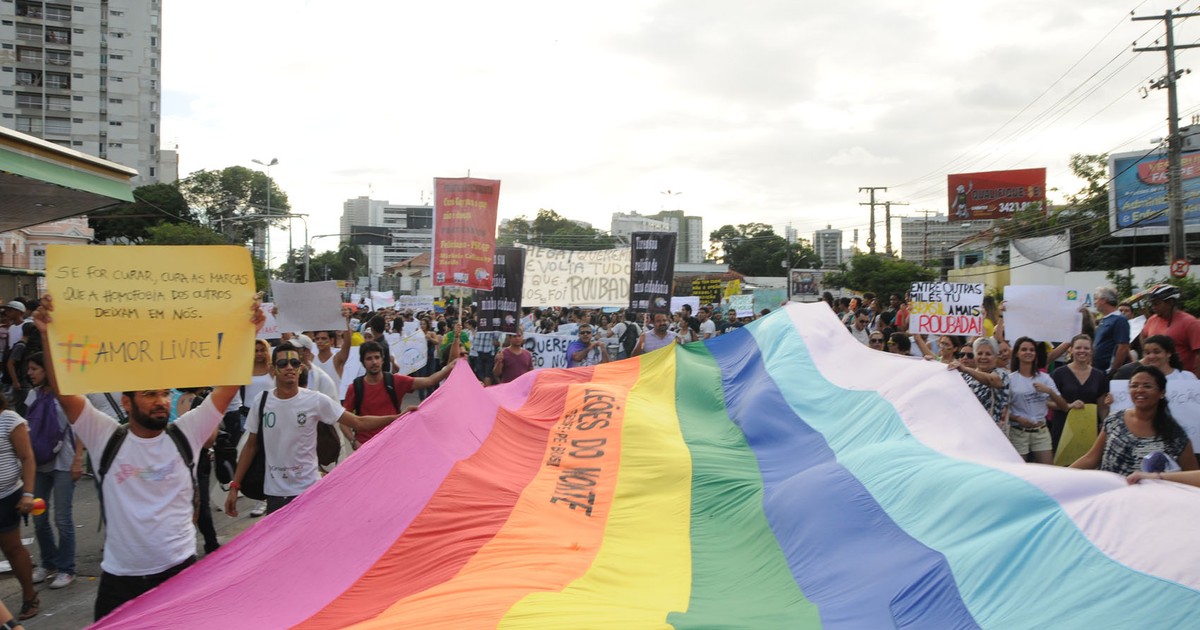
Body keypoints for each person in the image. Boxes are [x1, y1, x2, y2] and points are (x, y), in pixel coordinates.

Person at [34, 294, 264, 621]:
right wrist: (46, 333)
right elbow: (66, 393)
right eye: (149, 394)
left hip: (179, 573)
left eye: (164, 393)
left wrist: (248, 332)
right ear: (126, 403)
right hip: (120, 580)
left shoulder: (186, 432)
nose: (161, 401)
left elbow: (225, 390)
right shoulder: (104, 437)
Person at [225, 343, 407, 517]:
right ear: (273, 370)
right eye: (283, 363)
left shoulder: (315, 400)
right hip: (275, 494)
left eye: (294, 363)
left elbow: (358, 422)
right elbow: (251, 446)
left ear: (300, 368)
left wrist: (396, 418)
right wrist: (234, 486)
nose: (290, 367)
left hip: (309, 491)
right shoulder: (261, 401)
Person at [1071, 365, 1197, 475]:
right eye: (1134, 385)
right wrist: (1061, 476)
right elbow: (1091, 459)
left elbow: (1192, 478)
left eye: (1147, 386)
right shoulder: (1114, 421)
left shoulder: (1175, 436)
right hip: (1112, 499)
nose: (1139, 390)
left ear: (1162, 392)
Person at [24, 353, 82, 590]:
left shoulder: (66, 396)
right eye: (29, 369)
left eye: (34, 368)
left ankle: (67, 569)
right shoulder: (32, 396)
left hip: (64, 464)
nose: (30, 373)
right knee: (38, 518)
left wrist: (79, 458)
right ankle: (48, 563)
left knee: (62, 518)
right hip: (40, 465)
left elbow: (79, 427)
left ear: (47, 370)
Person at [342, 338, 457, 447]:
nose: (374, 362)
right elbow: (343, 421)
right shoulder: (355, 388)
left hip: (393, 444)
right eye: (369, 358)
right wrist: (354, 442)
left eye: (377, 357)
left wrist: (450, 367)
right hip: (366, 447)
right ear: (363, 362)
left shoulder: (395, 381)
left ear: (382, 360)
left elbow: (429, 381)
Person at [0, 391, 36, 621]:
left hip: (6, 496)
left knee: (12, 549)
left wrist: (28, 494)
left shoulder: (9, 419)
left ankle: (30, 596)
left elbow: (27, 458)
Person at [1006, 337, 1069, 464]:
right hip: (1019, 432)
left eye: (1031, 350)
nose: (1028, 352)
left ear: (1036, 354)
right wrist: (1017, 418)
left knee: (1048, 471)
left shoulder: (1045, 378)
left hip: (1041, 432)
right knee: (1020, 472)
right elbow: (1004, 409)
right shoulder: (1010, 379)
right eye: (1024, 349)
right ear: (1017, 353)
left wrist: (1050, 391)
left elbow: (1064, 406)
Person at [1049, 334, 1109, 454]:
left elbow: (1102, 407)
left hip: (1089, 429)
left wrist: (1105, 427)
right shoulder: (1059, 373)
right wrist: (1068, 405)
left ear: (1091, 351)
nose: (1082, 351)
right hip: (1063, 428)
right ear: (1071, 350)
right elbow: (1048, 402)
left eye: (1086, 348)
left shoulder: (1099, 375)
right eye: (1078, 348)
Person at [949, 337, 1010, 431]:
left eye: (988, 354)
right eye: (979, 353)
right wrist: (929, 363)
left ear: (996, 356)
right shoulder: (964, 376)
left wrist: (966, 369)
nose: (983, 357)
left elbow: (992, 380)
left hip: (991, 433)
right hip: (967, 430)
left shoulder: (1002, 373)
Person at [1140, 284, 1200, 377]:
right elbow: (1143, 335)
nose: (1153, 307)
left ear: (1170, 302)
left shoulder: (1190, 323)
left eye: (1156, 303)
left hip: (1183, 379)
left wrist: (1196, 381)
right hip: (1156, 378)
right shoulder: (1152, 320)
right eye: (1151, 304)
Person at [1092, 286, 1131, 374]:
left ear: (1103, 300)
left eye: (1096, 299)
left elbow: (1123, 347)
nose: (1094, 302)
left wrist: (1113, 371)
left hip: (1109, 373)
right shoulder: (1104, 320)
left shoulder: (1119, 320)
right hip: (1099, 371)